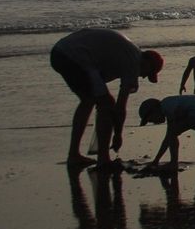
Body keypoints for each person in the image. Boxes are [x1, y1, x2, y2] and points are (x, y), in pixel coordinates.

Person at [49, 28, 164, 168]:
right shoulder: (133, 61)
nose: (143, 77)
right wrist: (118, 134)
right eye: (147, 73)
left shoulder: (126, 53)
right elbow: (120, 107)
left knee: (89, 101)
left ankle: (75, 154)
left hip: (60, 52)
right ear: (146, 63)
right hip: (74, 56)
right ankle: (102, 157)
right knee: (107, 104)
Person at [138, 95, 195, 169]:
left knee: (172, 134)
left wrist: (156, 161)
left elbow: (169, 137)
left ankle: (173, 163)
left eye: (152, 119)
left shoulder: (167, 107)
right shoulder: (169, 102)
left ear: (154, 110)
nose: (154, 122)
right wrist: (156, 160)